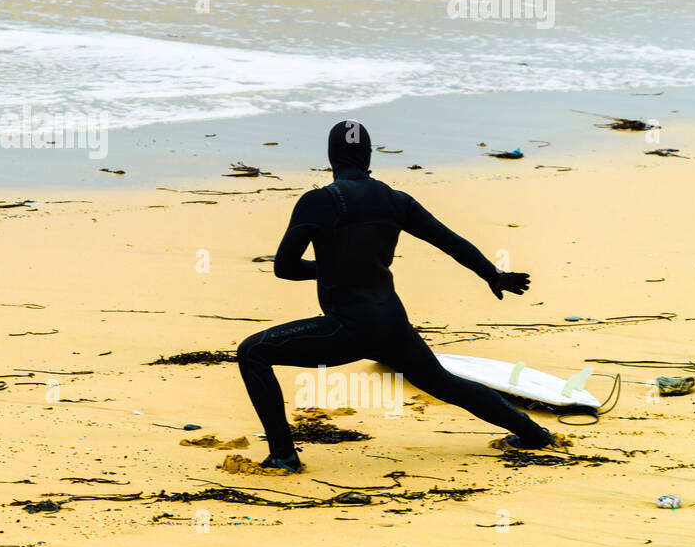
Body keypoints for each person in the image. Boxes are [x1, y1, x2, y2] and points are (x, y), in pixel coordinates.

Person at [237, 119, 555, 472]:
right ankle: (534, 434)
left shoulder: (318, 202)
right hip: (392, 324)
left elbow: (285, 268)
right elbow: (451, 242)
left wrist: (331, 268)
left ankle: (283, 455)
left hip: (348, 327)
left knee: (252, 352)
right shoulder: (396, 201)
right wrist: (494, 275)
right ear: (368, 154)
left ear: (331, 156)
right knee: (444, 383)